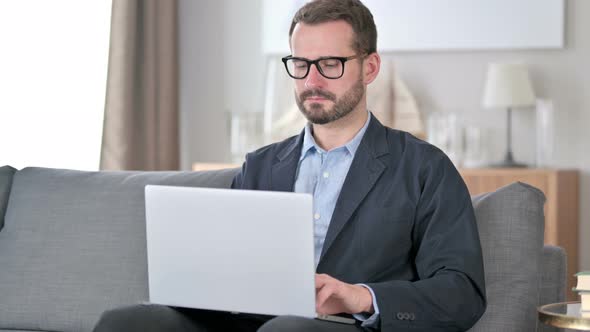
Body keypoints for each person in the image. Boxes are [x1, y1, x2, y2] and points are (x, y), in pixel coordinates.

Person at [93, 0, 486, 331]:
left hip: (344, 326)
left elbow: (462, 291)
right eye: (301, 63)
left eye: (330, 64)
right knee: (124, 322)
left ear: (369, 68)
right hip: (248, 322)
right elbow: (229, 266)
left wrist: (361, 295)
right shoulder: (260, 166)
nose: (312, 80)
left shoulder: (423, 168)